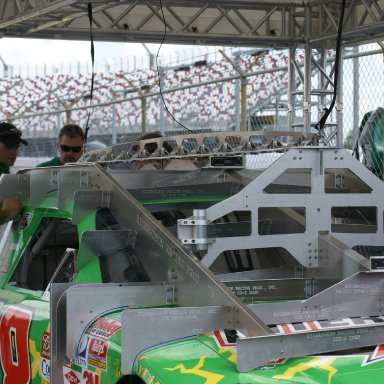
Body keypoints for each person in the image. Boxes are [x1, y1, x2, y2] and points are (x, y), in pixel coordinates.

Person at [0, 121, 28, 224]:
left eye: (16, 147)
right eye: (9, 146)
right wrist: (6, 213)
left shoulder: (4, 173)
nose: (14, 152)